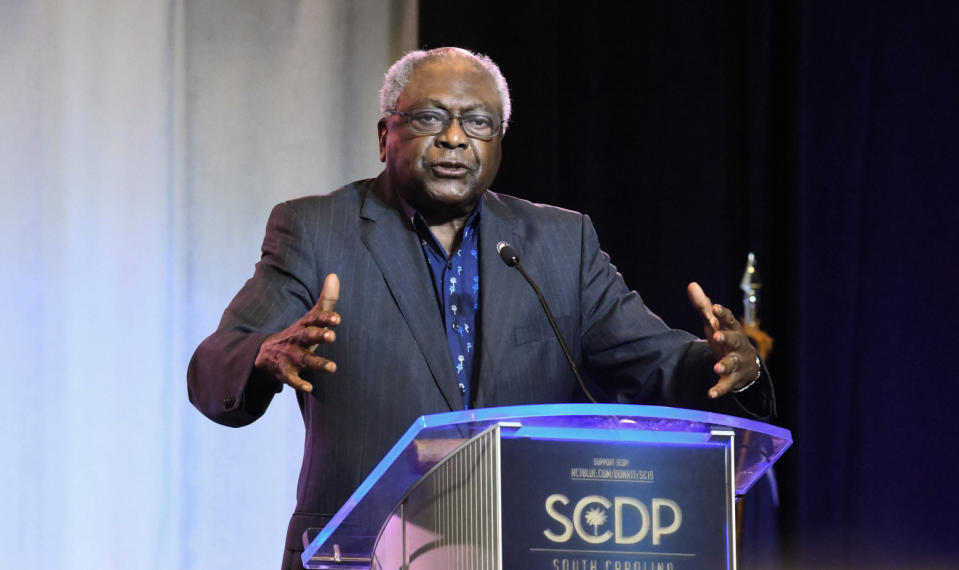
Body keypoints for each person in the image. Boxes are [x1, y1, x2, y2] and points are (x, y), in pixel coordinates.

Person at [187, 47, 774, 569]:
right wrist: (263, 356)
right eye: (428, 118)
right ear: (384, 136)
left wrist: (723, 364)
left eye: (477, 123)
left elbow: (657, 363)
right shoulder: (317, 231)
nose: (453, 138)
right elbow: (214, 363)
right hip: (363, 555)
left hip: (525, 546)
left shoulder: (558, 245)